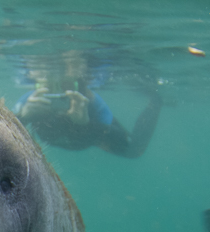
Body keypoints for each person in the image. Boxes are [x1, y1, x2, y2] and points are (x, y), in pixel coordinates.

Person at [13, 53, 162, 158]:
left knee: (134, 151)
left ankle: (155, 102)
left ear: (79, 84)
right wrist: (23, 117)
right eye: (49, 87)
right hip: (71, 141)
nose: (59, 94)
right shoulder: (30, 101)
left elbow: (121, 142)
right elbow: (2, 131)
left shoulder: (91, 102)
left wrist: (86, 124)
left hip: (84, 137)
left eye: (67, 86)